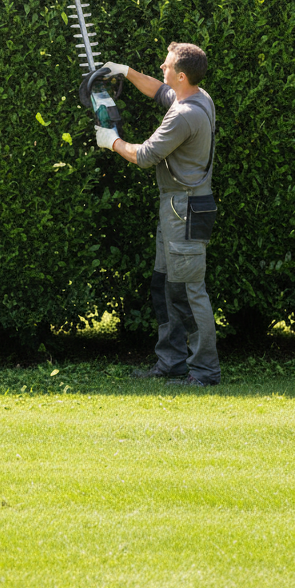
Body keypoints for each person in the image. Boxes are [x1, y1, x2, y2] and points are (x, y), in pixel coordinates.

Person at [94, 43, 220, 387]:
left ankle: (205, 372)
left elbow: (146, 155)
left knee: (190, 292)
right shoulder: (193, 95)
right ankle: (171, 363)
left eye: (165, 66)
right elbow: (160, 91)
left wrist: (112, 141)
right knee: (166, 286)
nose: (161, 70)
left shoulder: (185, 115)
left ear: (181, 75)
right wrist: (126, 72)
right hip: (176, 207)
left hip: (185, 209)